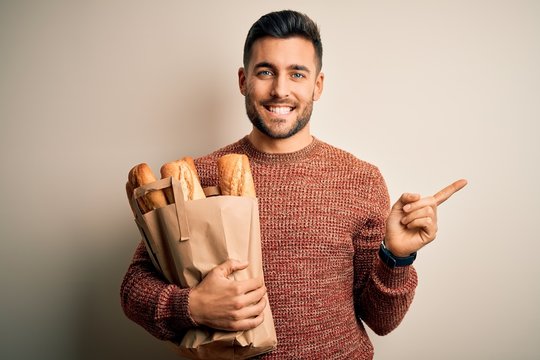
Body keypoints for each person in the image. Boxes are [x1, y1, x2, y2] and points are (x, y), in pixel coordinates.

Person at [120, 10, 467, 359]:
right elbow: (134, 287)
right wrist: (191, 306)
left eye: (297, 74)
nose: (280, 90)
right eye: (265, 72)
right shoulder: (198, 176)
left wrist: (397, 256)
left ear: (317, 85)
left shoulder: (360, 179)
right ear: (243, 80)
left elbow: (382, 320)